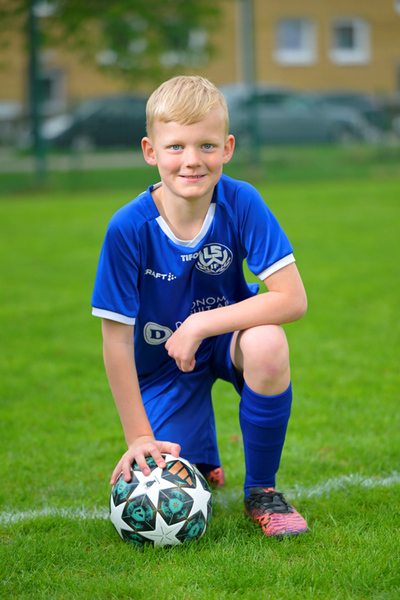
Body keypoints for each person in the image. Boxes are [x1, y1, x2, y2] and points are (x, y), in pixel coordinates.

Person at [91, 75, 308, 538]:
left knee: (269, 345)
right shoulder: (127, 228)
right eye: (176, 147)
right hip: (164, 364)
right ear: (150, 151)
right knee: (171, 474)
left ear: (227, 148)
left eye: (207, 145)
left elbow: (292, 299)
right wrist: (139, 437)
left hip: (225, 340)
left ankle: (262, 492)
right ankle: (202, 457)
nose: (192, 160)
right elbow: (116, 343)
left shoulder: (242, 201)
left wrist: (200, 323)